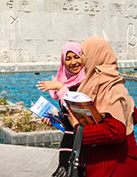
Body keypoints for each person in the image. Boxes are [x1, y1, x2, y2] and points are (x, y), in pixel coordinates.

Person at [71, 37, 137, 177]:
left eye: (83, 54)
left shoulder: (109, 86)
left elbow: (116, 130)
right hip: (107, 163)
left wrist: (79, 129)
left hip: (115, 167)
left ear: (95, 56)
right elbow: (133, 115)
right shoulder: (103, 82)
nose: (82, 59)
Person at [36, 42, 87, 177]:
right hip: (68, 144)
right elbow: (69, 116)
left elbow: (81, 112)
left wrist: (60, 88)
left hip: (83, 144)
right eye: (68, 58)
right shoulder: (66, 84)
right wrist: (54, 119)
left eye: (76, 57)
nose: (73, 62)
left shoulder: (87, 83)